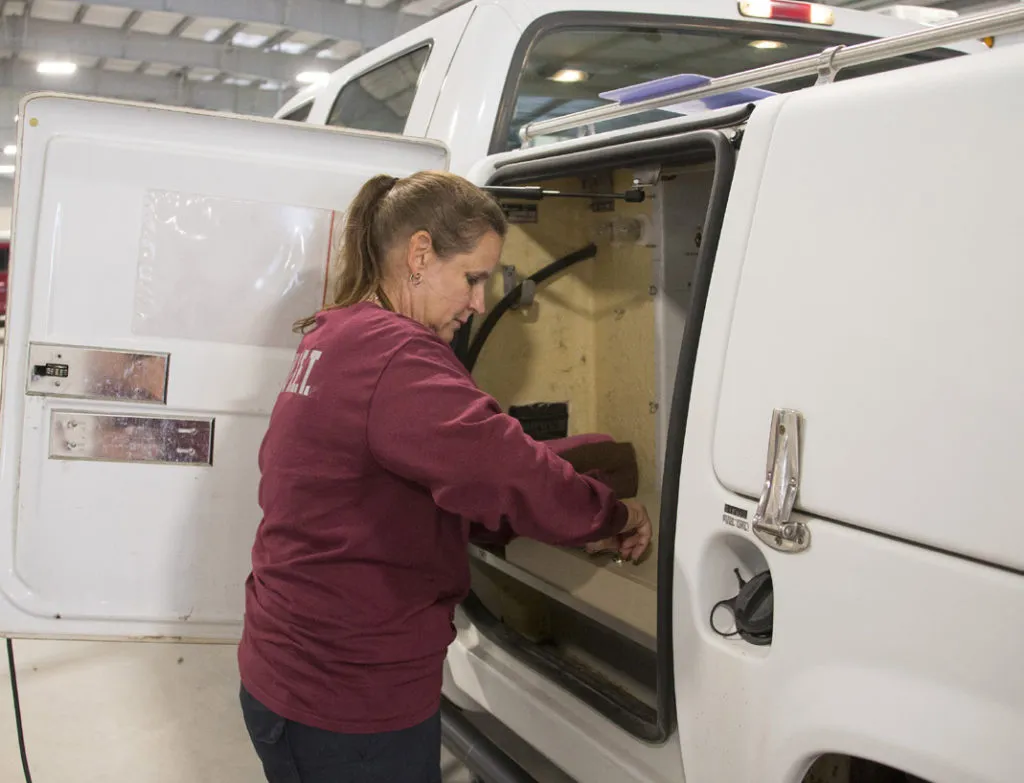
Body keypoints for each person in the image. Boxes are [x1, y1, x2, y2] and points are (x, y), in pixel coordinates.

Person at [237, 170, 653, 783]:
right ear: (420, 254)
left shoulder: (337, 332)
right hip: (349, 701)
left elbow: (380, 478)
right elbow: (508, 471)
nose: (480, 302)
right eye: (474, 278)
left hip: (289, 666)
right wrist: (613, 513)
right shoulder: (398, 355)